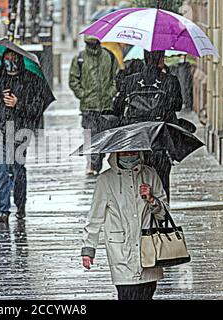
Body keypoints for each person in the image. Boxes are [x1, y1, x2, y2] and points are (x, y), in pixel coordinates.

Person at [81, 151, 168, 300]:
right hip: (121, 250)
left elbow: (164, 214)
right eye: (125, 151)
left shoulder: (150, 174)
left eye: (133, 150)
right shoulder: (106, 179)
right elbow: (95, 216)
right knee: (126, 295)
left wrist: (152, 199)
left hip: (148, 250)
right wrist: (88, 249)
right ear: (116, 153)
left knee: (147, 294)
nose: (129, 154)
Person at [0, 50, 49, 223]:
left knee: (17, 171)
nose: (10, 62)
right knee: (1, 170)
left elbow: (36, 109)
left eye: (13, 59)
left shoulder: (30, 80)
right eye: (7, 59)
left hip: (20, 133)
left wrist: (18, 104)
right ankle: (3, 210)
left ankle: (20, 205)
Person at [113, 50, 183, 200]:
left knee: (137, 183)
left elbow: (117, 108)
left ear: (144, 58)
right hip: (160, 143)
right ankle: (162, 216)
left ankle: (139, 216)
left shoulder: (130, 80)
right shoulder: (170, 80)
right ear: (161, 59)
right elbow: (177, 106)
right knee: (162, 185)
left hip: (137, 143)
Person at [69, 36, 119, 175]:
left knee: (105, 136)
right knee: (91, 135)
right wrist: (83, 94)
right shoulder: (80, 58)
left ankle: (100, 161)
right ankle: (93, 163)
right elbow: (73, 79)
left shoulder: (109, 56)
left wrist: (111, 92)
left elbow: (116, 76)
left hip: (106, 105)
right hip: (88, 106)